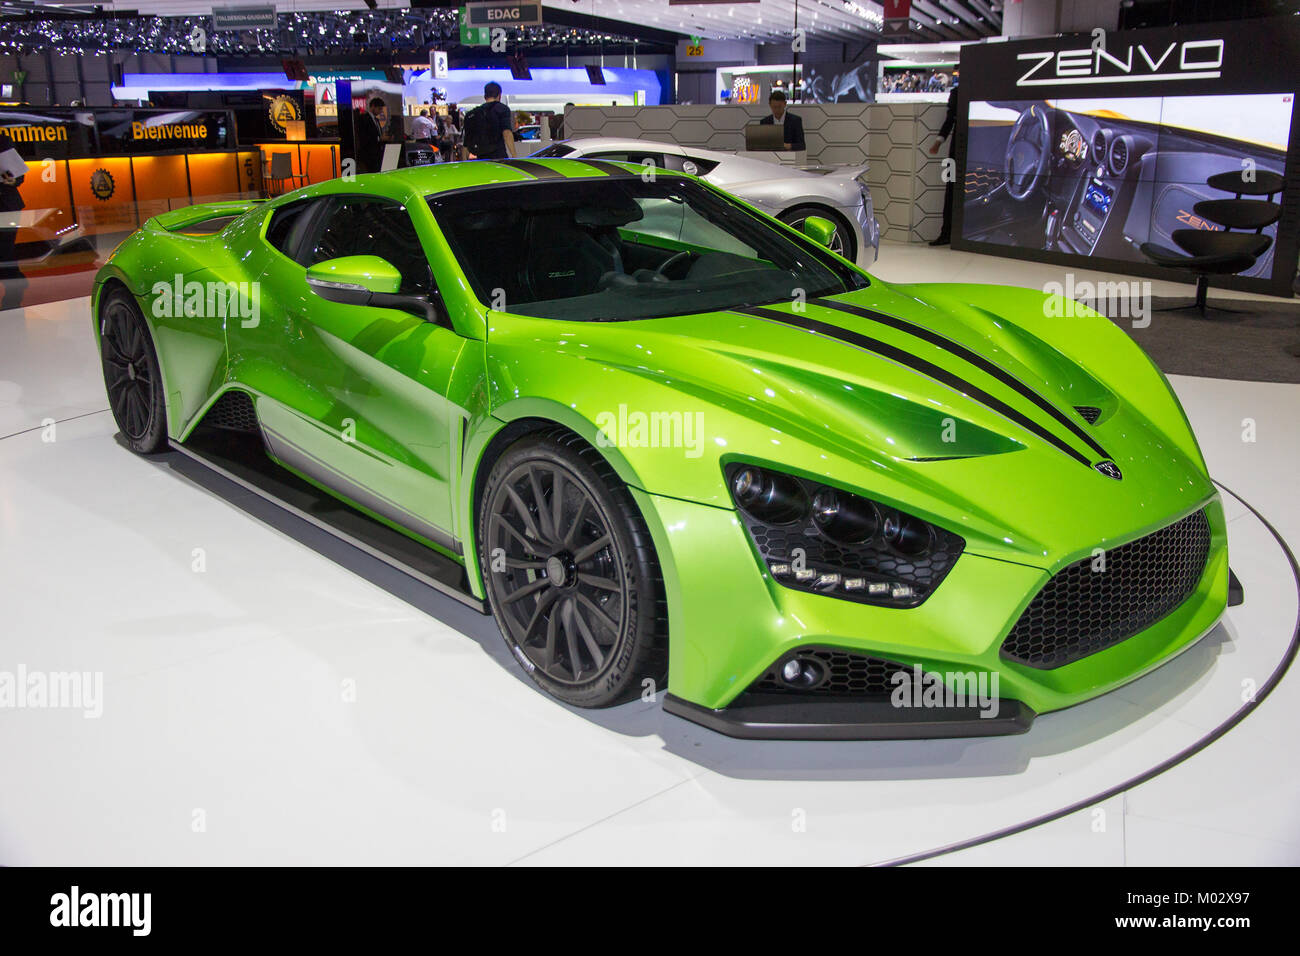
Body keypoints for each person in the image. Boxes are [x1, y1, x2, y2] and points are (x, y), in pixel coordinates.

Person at [927, 69, 960, 246]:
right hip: (957, 151)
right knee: (951, 191)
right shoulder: (956, 93)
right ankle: (946, 233)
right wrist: (938, 142)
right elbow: (950, 120)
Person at [0, 128, 26, 310]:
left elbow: (19, 174)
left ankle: (14, 290)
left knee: (5, 251)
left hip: (6, 205)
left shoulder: (3, 141)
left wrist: (13, 180)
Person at [462, 81, 515, 160]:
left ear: (485, 96)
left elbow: (466, 143)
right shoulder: (502, 109)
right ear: (499, 95)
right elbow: (507, 133)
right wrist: (514, 155)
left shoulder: (474, 113)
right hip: (498, 157)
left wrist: (464, 161)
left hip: (480, 158)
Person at [355, 96, 396, 173]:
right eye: (379, 109)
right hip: (369, 155)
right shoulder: (364, 119)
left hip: (378, 154)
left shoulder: (376, 120)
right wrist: (379, 138)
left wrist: (386, 138)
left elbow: (377, 135)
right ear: (373, 107)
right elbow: (363, 137)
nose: (381, 112)